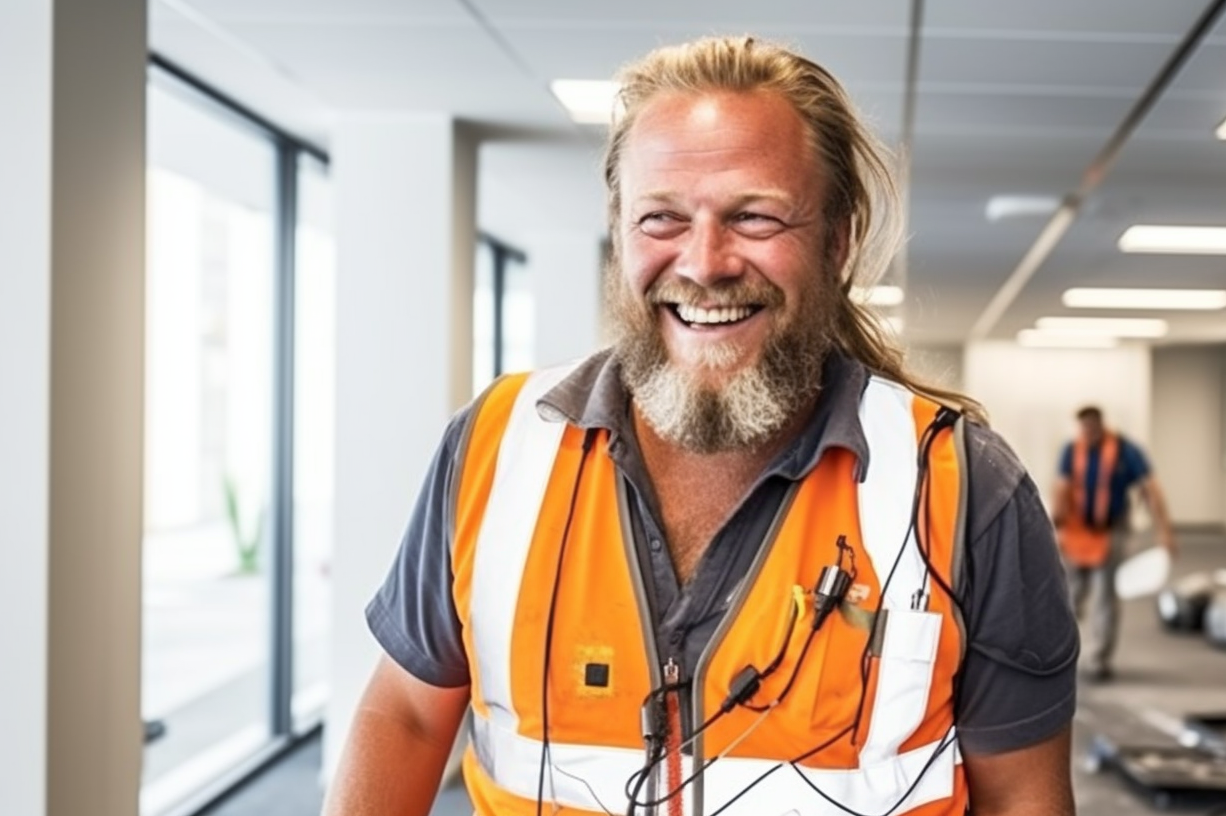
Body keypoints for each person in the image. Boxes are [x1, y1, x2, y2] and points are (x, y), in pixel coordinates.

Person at [324, 36, 1078, 816]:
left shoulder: (963, 488)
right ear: (620, 235)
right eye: (662, 218)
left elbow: (1024, 797)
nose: (705, 262)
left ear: (839, 241)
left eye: (754, 217)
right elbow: (409, 714)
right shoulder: (497, 445)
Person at [1052, 405, 1177, 683]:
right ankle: (1059, 657)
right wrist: (1055, 530)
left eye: (1091, 428)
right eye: (1083, 429)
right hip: (1076, 533)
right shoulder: (1071, 451)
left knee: (1105, 597)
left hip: (1111, 532)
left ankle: (1098, 660)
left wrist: (1164, 532)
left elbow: (1151, 490)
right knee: (1067, 597)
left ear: (1100, 425)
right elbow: (1060, 490)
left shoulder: (1125, 451)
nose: (1087, 433)